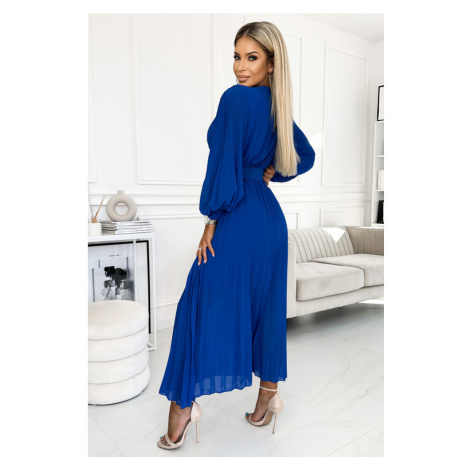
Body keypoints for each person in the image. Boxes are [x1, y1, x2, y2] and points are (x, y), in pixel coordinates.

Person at [157, 21, 316, 450]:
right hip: (270, 222)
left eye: (252, 57)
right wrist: (271, 172)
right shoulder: (277, 108)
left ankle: (181, 409)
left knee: (196, 305)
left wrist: (211, 220)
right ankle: (267, 402)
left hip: (238, 216)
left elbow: (222, 167)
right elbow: (305, 155)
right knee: (266, 309)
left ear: (271, 63)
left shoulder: (234, 99)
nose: (240, 67)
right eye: (236, 56)